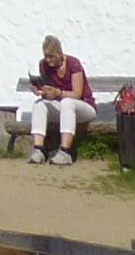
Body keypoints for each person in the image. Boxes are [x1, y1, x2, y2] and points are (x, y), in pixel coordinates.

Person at [28, 34, 100, 163]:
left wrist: (58, 93)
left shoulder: (73, 64)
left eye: (51, 56)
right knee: (39, 105)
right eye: (46, 56)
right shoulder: (44, 65)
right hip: (63, 107)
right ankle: (39, 149)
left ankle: (65, 151)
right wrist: (40, 90)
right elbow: (48, 86)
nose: (48, 60)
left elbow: (77, 94)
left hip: (84, 106)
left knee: (68, 102)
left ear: (59, 53)